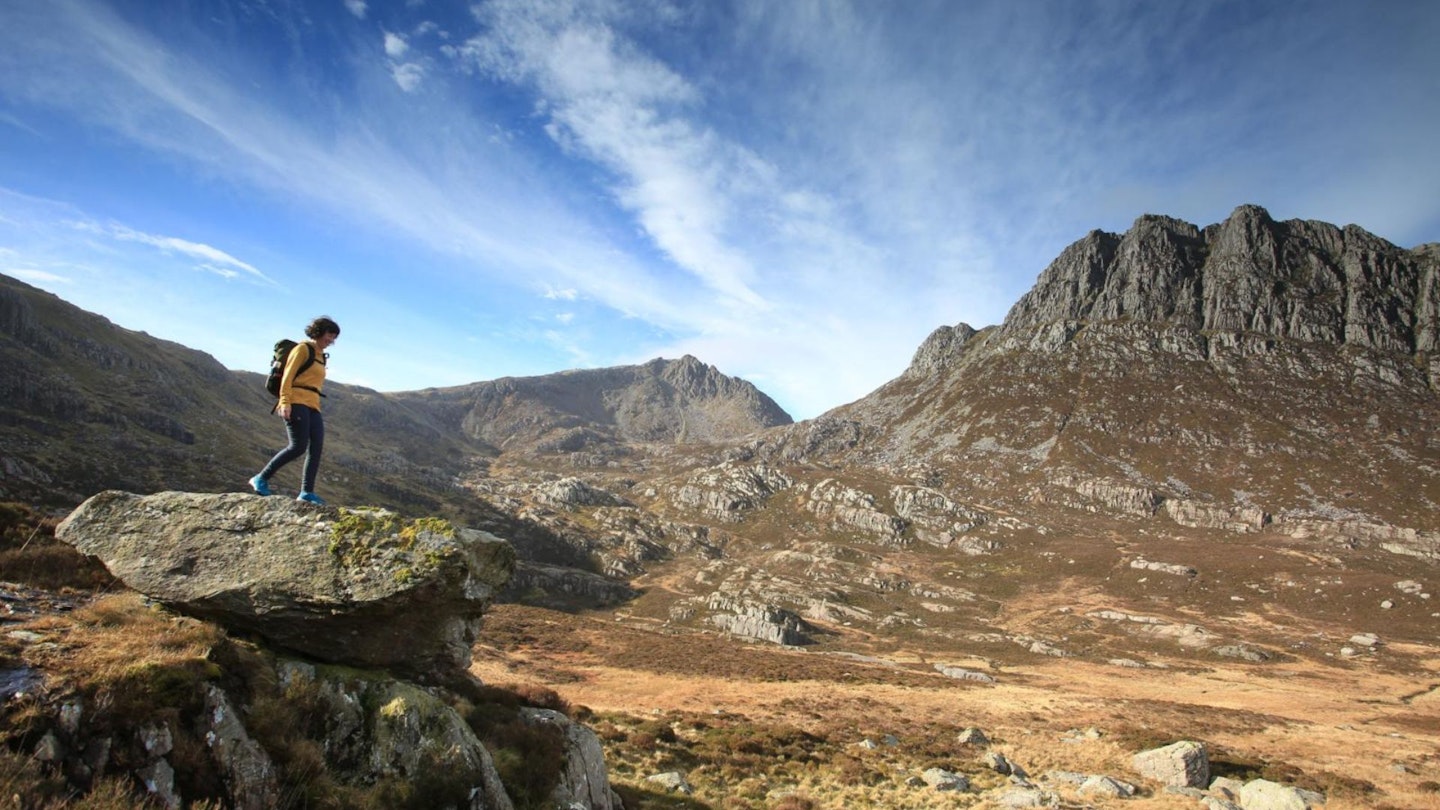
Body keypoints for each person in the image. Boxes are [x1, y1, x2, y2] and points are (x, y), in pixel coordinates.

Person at [250, 316, 340, 505]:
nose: (331, 341)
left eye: (334, 338)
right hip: (296, 401)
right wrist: (285, 401)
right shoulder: (303, 349)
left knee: (316, 447)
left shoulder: (320, 355)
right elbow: (288, 376)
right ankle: (261, 478)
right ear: (319, 332)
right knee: (298, 446)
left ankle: (306, 492)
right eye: (330, 336)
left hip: (313, 404)